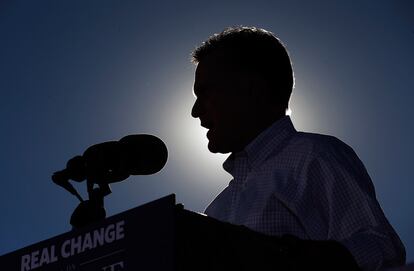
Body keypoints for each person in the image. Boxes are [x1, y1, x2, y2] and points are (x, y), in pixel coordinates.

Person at [190, 26, 406, 271]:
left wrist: (283, 256)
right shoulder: (216, 209)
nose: (195, 111)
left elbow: (382, 249)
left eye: (205, 93)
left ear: (250, 88)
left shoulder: (313, 155)